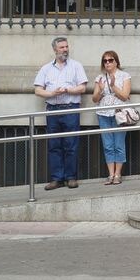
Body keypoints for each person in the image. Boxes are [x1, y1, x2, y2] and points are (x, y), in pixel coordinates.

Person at [33, 37, 87, 191]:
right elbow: (37, 90)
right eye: (62, 47)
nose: (65, 49)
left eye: (66, 46)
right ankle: (57, 178)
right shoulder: (46, 69)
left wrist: (67, 90)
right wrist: (51, 93)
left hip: (71, 108)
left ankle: (71, 177)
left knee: (71, 144)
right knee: (54, 145)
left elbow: (82, 87)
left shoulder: (76, 66)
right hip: (53, 110)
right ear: (54, 50)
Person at [92, 50, 131, 186]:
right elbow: (94, 98)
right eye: (105, 60)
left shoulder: (124, 76)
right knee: (108, 145)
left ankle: (118, 174)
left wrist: (113, 86)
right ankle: (110, 174)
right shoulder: (100, 78)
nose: (107, 63)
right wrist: (101, 90)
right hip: (103, 113)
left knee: (119, 144)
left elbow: (125, 96)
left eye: (110, 60)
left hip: (119, 114)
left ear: (116, 62)